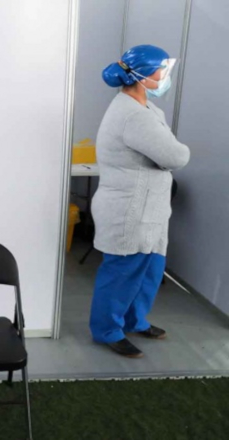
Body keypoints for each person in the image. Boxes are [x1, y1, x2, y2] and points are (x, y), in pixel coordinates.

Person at [89, 45, 191, 358]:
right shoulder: (133, 116)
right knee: (122, 273)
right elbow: (176, 155)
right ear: (143, 75)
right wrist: (176, 151)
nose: (165, 76)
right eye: (162, 70)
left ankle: (135, 320)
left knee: (149, 270)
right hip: (129, 211)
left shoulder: (148, 110)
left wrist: (168, 152)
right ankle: (107, 330)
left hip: (151, 209)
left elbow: (165, 152)